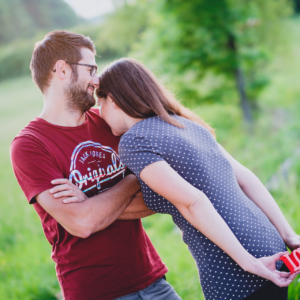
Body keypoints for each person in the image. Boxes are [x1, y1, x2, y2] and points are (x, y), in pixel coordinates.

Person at [53, 57, 300, 300]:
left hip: (234, 265)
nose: (98, 111)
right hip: (270, 241)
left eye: (100, 102)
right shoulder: (184, 123)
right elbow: (246, 178)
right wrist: (289, 235)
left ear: (114, 101)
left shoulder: (134, 141)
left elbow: (193, 202)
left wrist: (249, 263)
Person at [10, 32, 182, 300]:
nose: (97, 79)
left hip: (152, 280)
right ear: (62, 70)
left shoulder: (109, 121)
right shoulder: (30, 145)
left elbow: (162, 197)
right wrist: (135, 178)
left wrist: (92, 202)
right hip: (95, 292)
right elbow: (82, 223)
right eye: (90, 68)